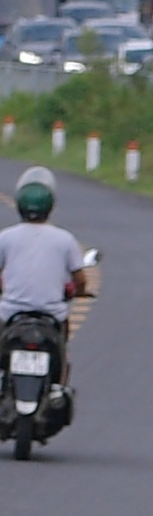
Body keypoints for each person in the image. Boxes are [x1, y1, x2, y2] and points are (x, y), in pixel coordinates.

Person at [0, 170, 91, 426]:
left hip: (10, 314)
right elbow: (80, 279)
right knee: (62, 349)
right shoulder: (65, 239)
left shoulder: (6, 237)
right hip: (52, 316)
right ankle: (57, 385)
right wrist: (78, 290)